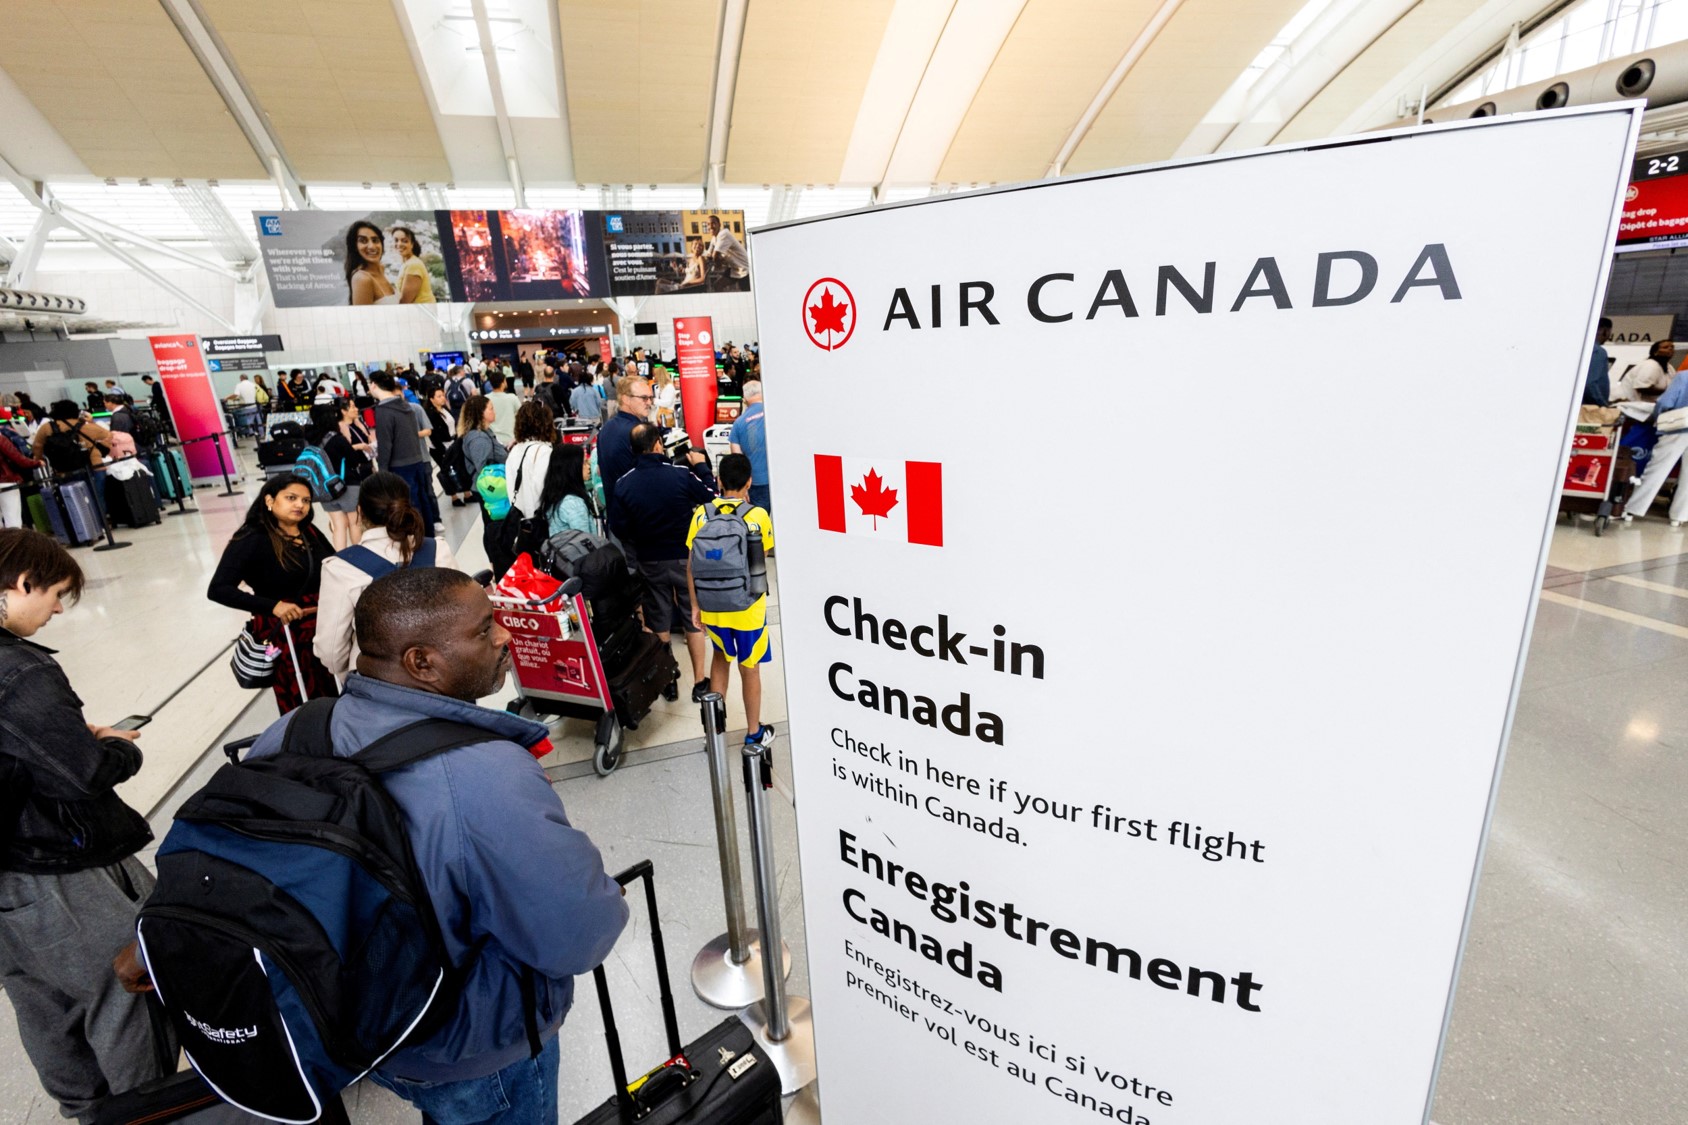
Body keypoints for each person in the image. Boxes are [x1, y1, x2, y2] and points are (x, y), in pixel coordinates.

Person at [243, 567, 627, 1121]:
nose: (503, 637)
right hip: (475, 1052)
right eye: (484, 630)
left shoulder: (294, 730)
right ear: (421, 661)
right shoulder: (483, 776)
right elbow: (579, 935)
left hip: (358, 1029)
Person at [0, 529, 176, 1120]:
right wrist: (119, 748)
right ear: (21, 583)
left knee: (41, 1003)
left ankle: (86, 1111)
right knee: (126, 988)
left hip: (8, 878)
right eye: (53, 594)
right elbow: (82, 777)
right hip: (59, 869)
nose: (55, 610)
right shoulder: (18, 672)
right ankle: (140, 1111)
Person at [207, 475, 340, 713]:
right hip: (286, 630)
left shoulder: (309, 531)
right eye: (291, 498)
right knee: (300, 693)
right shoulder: (252, 537)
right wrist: (272, 606)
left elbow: (333, 566)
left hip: (323, 625)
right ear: (269, 500)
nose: (300, 505)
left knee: (333, 687)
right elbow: (218, 589)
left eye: (306, 500)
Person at [313, 472, 460, 685]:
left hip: (377, 685)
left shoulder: (341, 568)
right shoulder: (438, 550)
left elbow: (331, 650)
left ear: (360, 511)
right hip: (441, 677)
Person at [609, 423, 716, 701]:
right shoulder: (680, 474)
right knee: (693, 617)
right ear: (658, 444)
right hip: (685, 558)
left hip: (649, 560)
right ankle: (700, 682)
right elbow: (712, 499)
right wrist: (702, 467)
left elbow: (619, 528)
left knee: (659, 620)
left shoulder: (624, 483)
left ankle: (668, 679)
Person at [687, 453, 776, 751]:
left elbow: (691, 564)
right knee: (749, 668)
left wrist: (696, 606)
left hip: (713, 607)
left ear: (719, 481)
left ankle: (714, 734)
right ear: (749, 481)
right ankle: (753, 733)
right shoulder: (758, 516)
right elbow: (758, 562)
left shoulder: (702, 513)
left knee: (720, 660)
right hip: (748, 609)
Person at [1623, 364, 1688, 525]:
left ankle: (1633, 509)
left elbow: (1665, 402)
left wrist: (1660, 417)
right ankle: (1678, 517)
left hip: (1676, 428)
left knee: (1657, 469)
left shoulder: (1683, 376)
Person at [371, 372, 438, 529]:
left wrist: (383, 473)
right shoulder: (406, 405)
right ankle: (427, 535)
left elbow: (386, 444)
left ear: (373, 384)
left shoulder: (383, 410)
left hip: (399, 466)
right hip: (417, 460)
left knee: (407, 504)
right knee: (422, 501)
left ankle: (415, 538)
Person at [310, 401, 370, 551]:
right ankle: (359, 555)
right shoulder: (337, 439)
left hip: (324, 489)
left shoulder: (311, 441)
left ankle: (341, 556)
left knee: (338, 525)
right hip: (347, 485)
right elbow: (354, 460)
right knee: (354, 522)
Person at [459, 394, 509, 565]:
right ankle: (496, 562)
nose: (494, 411)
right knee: (493, 528)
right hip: (491, 492)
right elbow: (485, 472)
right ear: (481, 413)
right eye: (490, 408)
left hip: (493, 490)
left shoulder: (485, 432)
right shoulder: (479, 438)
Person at [598, 375, 653, 514]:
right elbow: (651, 477)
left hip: (616, 516)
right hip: (640, 517)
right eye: (644, 398)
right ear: (625, 399)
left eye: (650, 398)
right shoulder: (637, 433)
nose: (649, 403)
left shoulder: (606, 429)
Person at [33, 400, 112, 479]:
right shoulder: (86, 425)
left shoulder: (47, 427)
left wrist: (39, 458)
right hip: (93, 465)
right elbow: (108, 436)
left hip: (62, 469)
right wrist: (91, 422)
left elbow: (37, 445)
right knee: (97, 491)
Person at [506, 401, 558, 521]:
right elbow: (542, 490)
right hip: (541, 521)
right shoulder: (544, 451)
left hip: (521, 521)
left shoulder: (514, 451)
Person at [423, 385, 471, 507]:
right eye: (438, 396)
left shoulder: (444, 409)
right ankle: (454, 498)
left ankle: (467, 494)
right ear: (431, 399)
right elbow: (433, 436)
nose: (442, 398)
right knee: (447, 472)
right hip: (440, 448)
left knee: (461, 468)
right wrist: (443, 450)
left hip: (453, 444)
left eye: (443, 395)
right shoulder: (430, 414)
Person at [538, 442, 596, 536]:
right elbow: (585, 541)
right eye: (584, 463)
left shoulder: (554, 496)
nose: (588, 467)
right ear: (572, 468)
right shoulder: (573, 504)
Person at [729, 379, 769, 511]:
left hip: (756, 483)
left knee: (759, 524)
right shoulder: (775, 414)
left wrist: (743, 489)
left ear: (744, 399)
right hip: (780, 477)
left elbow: (737, 460)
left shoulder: (738, 424)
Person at [346, 220, 396, 306]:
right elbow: (363, 318)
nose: (371, 246)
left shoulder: (382, 268)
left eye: (375, 240)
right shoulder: (362, 279)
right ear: (355, 247)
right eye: (363, 241)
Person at [0, 428, 41, 528]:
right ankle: (14, 543)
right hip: (6, 482)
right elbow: (19, 459)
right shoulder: (1, 439)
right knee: (12, 518)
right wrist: (37, 462)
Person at [392, 225, 436, 304]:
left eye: (404, 241)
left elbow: (404, 302)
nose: (399, 244)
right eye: (396, 240)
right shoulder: (408, 263)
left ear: (412, 244)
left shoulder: (413, 265)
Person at [705, 214, 749, 286]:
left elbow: (715, 256)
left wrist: (717, 263)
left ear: (719, 224)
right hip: (734, 268)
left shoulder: (723, 234)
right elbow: (708, 255)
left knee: (745, 292)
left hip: (744, 268)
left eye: (713, 223)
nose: (710, 226)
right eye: (708, 224)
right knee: (718, 285)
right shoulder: (714, 238)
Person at [486, 372, 521, 448]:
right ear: (502, 383)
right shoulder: (512, 398)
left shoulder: (485, 399)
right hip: (510, 439)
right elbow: (521, 414)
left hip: (492, 440)